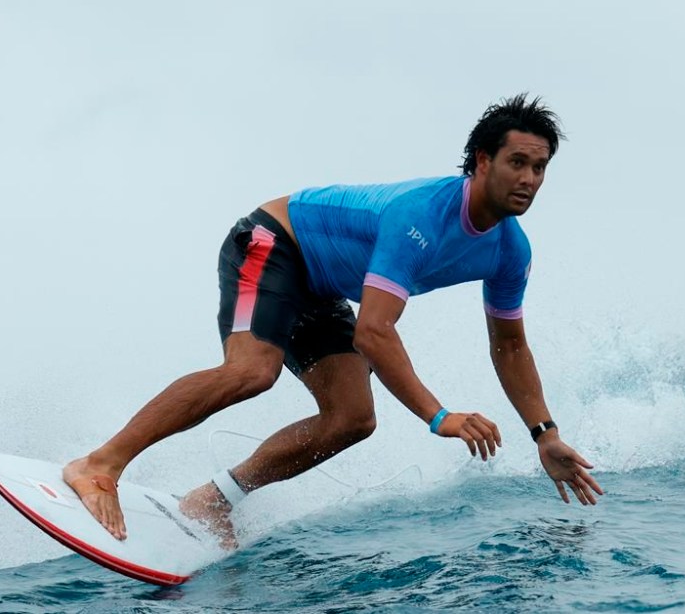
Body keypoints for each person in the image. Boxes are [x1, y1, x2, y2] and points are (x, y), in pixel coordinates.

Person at [63, 93, 604, 547]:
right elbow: (374, 330)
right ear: (483, 160)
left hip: (323, 288)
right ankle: (100, 464)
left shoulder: (511, 250)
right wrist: (439, 417)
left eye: (540, 168)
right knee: (253, 371)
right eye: (518, 163)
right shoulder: (421, 216)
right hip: (275, 244)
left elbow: (510, 347)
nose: (530, 178)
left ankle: (213, 500)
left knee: (352, 417)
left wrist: (544, 434)